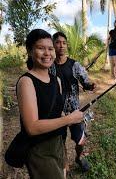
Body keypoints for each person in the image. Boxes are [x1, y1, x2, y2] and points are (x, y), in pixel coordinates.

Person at [16, 29, 83, 178]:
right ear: (29, 51)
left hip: (58, 142)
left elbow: (56, 111)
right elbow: (32, 127)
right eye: (41, 48)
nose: (47, 53)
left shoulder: (56, 80)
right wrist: (69, 119)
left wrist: (68, 116)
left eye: (50, 48)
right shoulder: (26, 82)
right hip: (39, 149)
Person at [50, 31, 96, 172]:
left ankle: (78, 157)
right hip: (58, 112)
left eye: (64, 43)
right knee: (60, 141)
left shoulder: (74, 65)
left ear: (67, 45)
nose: (61, 46)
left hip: (75, 110)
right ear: (53, 45)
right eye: (57, 42)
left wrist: (90, 85)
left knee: (81, 140)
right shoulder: (50, 66)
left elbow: (85, 81)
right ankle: (64, 164)